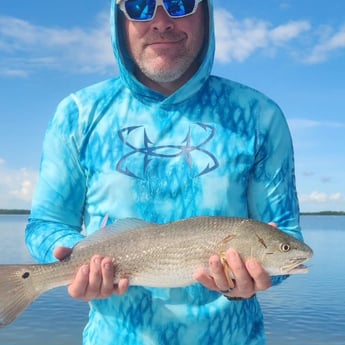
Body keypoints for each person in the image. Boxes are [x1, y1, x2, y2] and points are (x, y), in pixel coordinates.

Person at [25, 0, 303, 344]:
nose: (161, 21)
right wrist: (78, 257)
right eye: (139, 5)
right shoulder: (77, 114)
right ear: (118, 17)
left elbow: (286, 234)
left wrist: (247, 281)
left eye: (180, 3)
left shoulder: (259, 116)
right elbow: (46, 224)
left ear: (207, 12)